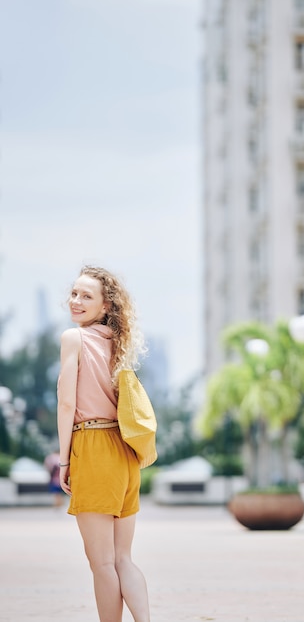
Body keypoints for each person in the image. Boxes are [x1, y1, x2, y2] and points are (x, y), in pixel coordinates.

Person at [57, 265, 150, 622]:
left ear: (106, 305)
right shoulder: (119, 344)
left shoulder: (73, 339)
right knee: (123, 558)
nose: (76, 301)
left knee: (102, 563)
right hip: (124, 452)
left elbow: (67, 404)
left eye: (87, 296)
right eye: (75, 293)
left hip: (94, 446)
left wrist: (65, 461)